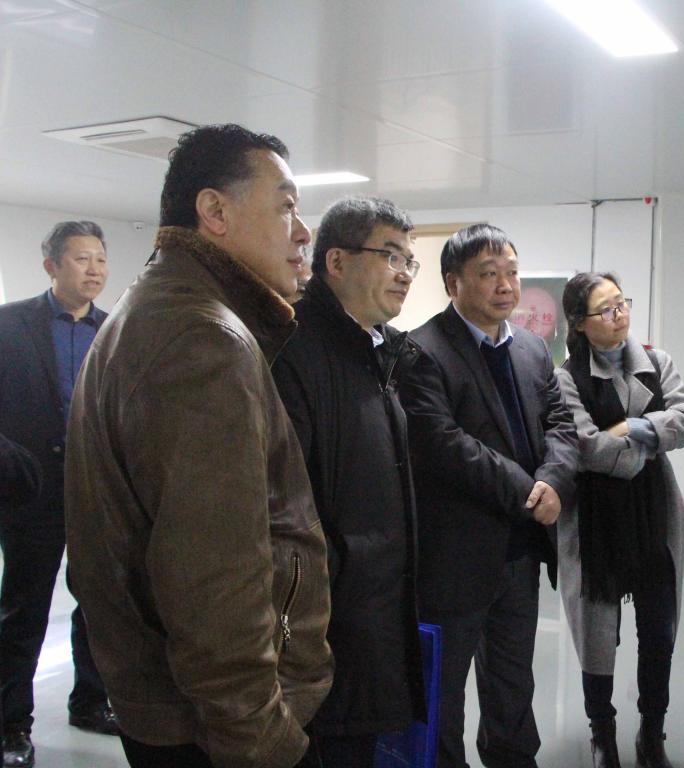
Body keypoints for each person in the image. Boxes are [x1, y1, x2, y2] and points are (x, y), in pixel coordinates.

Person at [64, 124, 332, 768]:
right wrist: (262, 740)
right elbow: (213, 582)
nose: (303, 232)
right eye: (286, 207)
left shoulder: (161, 308)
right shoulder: (203, 338)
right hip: (212, 728)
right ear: (214, 210)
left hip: (173, 707)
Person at [400, 223, 578, 768]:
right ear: (453, 283)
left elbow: (561, 423)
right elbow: (443, 444)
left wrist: (554, 479)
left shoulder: (531, 349)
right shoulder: (422, 351)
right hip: (455, 556)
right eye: (489, 274)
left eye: (512, 272)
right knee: (444, 688)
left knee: (512, 679)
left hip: (519, 552)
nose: (506, 285)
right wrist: (531, 492)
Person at [272, 196, 425, 767]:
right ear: (335, 261)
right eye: (391, 256)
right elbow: (283, 510)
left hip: (371, 611)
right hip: (324, 626)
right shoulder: (294, 350)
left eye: (409, 260)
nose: (405, 273)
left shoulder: (377, 351)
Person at [554, 272, 684, 768]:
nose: (620, 316)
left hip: (654, 516)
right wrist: (646, 445)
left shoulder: (657, 362)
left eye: (622, 304)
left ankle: (652, 731)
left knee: (659, 632)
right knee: (598, 637)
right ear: (579, 323)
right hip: (595, 523)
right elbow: (585, 445)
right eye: (607, 310)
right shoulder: (566, 377)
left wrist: (631, 426)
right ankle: (603, 733)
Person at [0, 220, 115, 767]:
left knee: (98, 605)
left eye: (100, 259)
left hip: (96, 490)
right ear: (51, 265)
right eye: (81, 259)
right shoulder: (10, 325)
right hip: (33, 491)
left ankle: (91, 702)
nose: (94, 270)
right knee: (24, 611)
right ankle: (11, 725)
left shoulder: (115, 330)